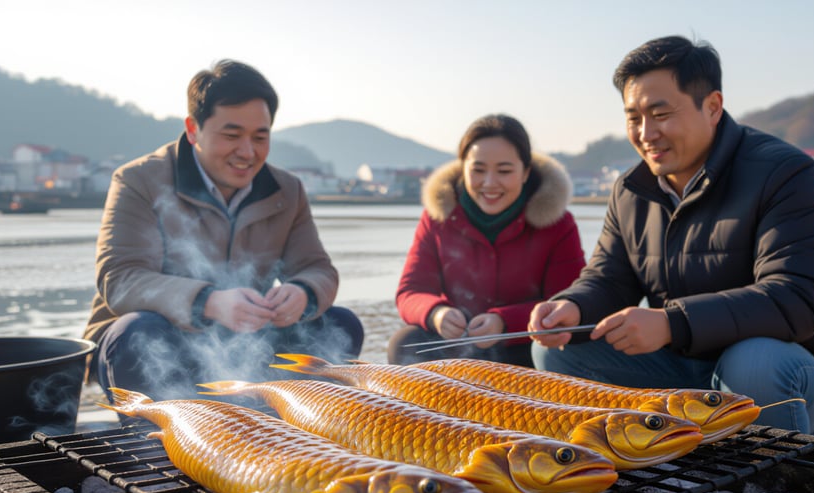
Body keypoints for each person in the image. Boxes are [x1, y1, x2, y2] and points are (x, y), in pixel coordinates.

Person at [528, 36, 814, 435]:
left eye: (660, 113)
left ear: (712, 107)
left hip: (795, 373)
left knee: (753, 363)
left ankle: (775, 485)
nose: (646, 132)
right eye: (633, 117)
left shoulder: (787, 174)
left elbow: (798, 298)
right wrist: (573, 307)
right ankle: (662, 450)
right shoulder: (631, 190)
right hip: (684, 367)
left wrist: (672, 323)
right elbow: (610, 277)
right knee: (557, 352)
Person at [84, 60, 363, 402]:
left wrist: (303, 292)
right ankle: (158, 443)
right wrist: (208, 302)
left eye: (260, 137)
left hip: (247, 336)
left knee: (339, 324)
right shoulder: (139, 181)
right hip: (160, 337)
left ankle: (294, 435)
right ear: (192, 129)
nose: (247, 152)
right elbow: (121, 279)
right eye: (231, 136)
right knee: (138, 332)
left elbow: (317, 268)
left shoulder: (286, 190)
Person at [388, 114, 585, 367]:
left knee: (561, 353)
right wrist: (436, 314)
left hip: (527, 345)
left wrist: (504, 322)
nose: (490, 183)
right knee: (406, 343)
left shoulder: (557, 222)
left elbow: (568, 301)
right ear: (463, 169)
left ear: (525, 172)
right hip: (459, 342)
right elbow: (410, 291)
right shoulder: (439, 216)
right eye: (478, 170)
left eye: (504, 171)